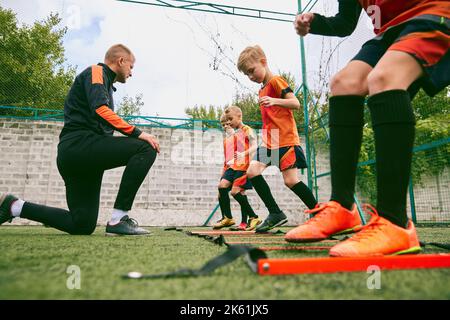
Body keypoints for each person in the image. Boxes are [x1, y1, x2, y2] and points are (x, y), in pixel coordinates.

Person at [287, 0, 449, 256]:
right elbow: (344, 23)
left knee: (385, 78)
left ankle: (395, 223)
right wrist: (314, 21)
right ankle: (342, 207)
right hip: (391, 32)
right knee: (344, 83)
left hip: (434, 13)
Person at [0, 44, 160, 236]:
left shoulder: (106, 84)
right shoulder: (96, 72)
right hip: (79, 146)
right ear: (121, 61)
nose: (131, 73)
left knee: (82, 224)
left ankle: (15, 206)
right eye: (131, 67)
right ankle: (119, 219)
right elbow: (101, 110)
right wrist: (138, 133)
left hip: (82, 158)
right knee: (145, 147)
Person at [237, 45, 318, 233]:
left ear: (263, 62)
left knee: (290, 181)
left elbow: (295, 103)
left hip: (286, 140)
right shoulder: (261, 90)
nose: (250, 77)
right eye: (246, 75)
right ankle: (275, 213)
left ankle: (320, 214)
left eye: (251, 71)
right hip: (270, 142)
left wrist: (275, 100)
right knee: (252, 172)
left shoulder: (276, 81)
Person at [213, 107, 261, 231]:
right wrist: (224, 169)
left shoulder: (246, 130)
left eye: (229, 121)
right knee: (222, 187)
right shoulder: (231, 136)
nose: (227, 124)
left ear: (238, 117)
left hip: (243, 166)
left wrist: (245, 155)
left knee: (237, 192)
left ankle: (250, 218)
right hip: (232, 167)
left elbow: (254, 146)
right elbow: (230, 154)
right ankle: (228, 217)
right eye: (224, 123)